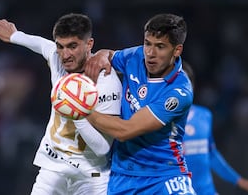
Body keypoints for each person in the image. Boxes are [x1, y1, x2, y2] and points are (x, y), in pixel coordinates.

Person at [0, 13, 122, 195]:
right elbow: (43, 45)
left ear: (89, 44)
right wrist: (15, 36)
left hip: (91, 176)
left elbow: (102, 148)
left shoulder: (107, 81)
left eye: (72, 46)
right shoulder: (58, 59)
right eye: (61, 46)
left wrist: (78, 113)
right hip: (52, 168)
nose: (65, 55)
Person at [84, 13, 196, 194]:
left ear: (177, 50)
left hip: (163, 177)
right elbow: (111, 56)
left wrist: (81, 109)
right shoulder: (135, 57)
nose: (150, 53)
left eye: (160, 47)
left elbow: (125, 131)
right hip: (122, 177)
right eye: (147, 43)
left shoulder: (178, 93)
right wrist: (103, 54)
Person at [182, 62, 248, 195]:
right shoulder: (159, 122)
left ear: (192, 86)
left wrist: (239, 180)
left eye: (185, 82)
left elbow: (211, 154)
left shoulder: (204, 115)